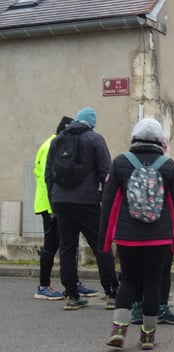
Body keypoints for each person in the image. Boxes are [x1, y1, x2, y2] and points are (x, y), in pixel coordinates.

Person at [99, 117, 174, 350]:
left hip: (128, 237)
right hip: (159, 237)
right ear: (159, 140)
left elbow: (109, 205)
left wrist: (104, 242)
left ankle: (119, 330)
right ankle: (148, 336)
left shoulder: (120, 163)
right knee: (152, 283)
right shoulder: (169, 166)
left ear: (135, 137)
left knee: (128, 280)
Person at [45, 107, 119, 310]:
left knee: (67, 248)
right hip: (86, 202)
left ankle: (72, 295)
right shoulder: (95, 139)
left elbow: (48, 175)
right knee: (101, 245)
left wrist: (54, 202)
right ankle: (111, 293)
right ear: (91, 124)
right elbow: (106, 174)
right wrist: (105, 202)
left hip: (60, 202)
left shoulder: (57, 140)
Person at [32, 116, 73, 300]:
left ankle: (70, 284)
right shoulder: (53, 145)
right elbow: (49, 177)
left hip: (49, 202)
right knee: (51, 244)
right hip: (49, 204)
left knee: (61, 243)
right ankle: (43, 286)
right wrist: (54, 206)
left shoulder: (49, 143)